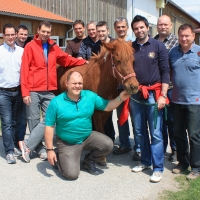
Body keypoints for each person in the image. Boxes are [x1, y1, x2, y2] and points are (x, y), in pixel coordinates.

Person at [19, 21, 87, 163]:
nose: (45, 34)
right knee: (33, 120)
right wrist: (25, 92)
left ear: (51, 33)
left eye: (48, 32)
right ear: (38, 30)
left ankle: (27, 144)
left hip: (50, 90)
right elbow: (24, 70)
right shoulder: (30, 47)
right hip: (33, 89)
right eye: (43, 31)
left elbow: (66, 60)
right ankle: (40, 149)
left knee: (53, 118)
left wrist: (82, 62)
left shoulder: (53, 47)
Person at [45, 71, 130, 180]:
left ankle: (88, 160)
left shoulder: (89, 96)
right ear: (67, 84)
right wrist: (50, 150)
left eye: (80, 83)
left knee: (108, 144)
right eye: (74, 83)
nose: (77, 86)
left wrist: (120, 98)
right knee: (71, 175)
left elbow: (108, 106)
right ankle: (59, 156)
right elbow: (49, 127)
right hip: (68, 142)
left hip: (87, 136)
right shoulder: (56, 102)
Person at [130, 15, 169, 183]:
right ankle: (145, 161)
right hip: (136, 94)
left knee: (156, 133)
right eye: (136, 28)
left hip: (154, 94)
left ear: (147, 28)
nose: (139, 30)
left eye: (141, 27)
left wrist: (163, 95)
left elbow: (166, 71)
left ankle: (158, 167)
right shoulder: (130, 47)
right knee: (139, 131)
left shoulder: (158, 46)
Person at [169, 24, 200, 180]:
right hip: (176, 100)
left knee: (194, 134)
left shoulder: (199, 51)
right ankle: (183, 163)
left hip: (195, 100)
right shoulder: (173, 53)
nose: (184, 38)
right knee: (179, 133)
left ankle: (196, 167)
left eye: (187, 35)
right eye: (181, 35)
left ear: (193, 36)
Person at [112, 16, 140, 161]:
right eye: (118, 27)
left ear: (127, 28)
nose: (121, 29)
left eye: (123, 26)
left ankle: (139, 147)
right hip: (118, 87)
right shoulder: (114, 44)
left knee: (135, 118)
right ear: (115, 29)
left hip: (132, 85)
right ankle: (124, 144)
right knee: (121, 117)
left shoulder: (133, 44)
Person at [154, 15, 179, 162]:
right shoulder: (153, 41)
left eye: (165, 25)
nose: (162, 27)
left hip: (170, 87)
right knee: (158, 121)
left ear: (170, 26)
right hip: (156, 87)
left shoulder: (176, 41)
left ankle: (174, 149)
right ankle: (160, 148)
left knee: (172, 121)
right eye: (160, 24)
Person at [0, 24, 24, 164]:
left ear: (16, 35)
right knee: (7, 122)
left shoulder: (21, 51)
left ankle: (13, 146)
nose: (10, 37)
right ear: (3, 36)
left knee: (15, 121)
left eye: (12, 34)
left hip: (18, 91)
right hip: (3, 93)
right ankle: (9, 151)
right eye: (7, 34)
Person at [91, 21, 116, 142]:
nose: (100, 33)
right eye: (98, 31)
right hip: (100, 84)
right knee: (100, 112)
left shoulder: (115, 44)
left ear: (108, 31)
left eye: (103, 31)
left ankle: (110, 138)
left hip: (114, 84)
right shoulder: (96, 46)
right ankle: (100, 140)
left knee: (108, 112)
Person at [15, 25, 29, 152]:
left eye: (25, 34)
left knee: (24, 116)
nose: (23, 36)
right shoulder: (11, 47)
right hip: (13, 85)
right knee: (14, 116)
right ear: (16, 34)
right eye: (21, 34)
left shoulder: (28, 48)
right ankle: (14, 141)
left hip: (25, 85)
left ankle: (20, 140)